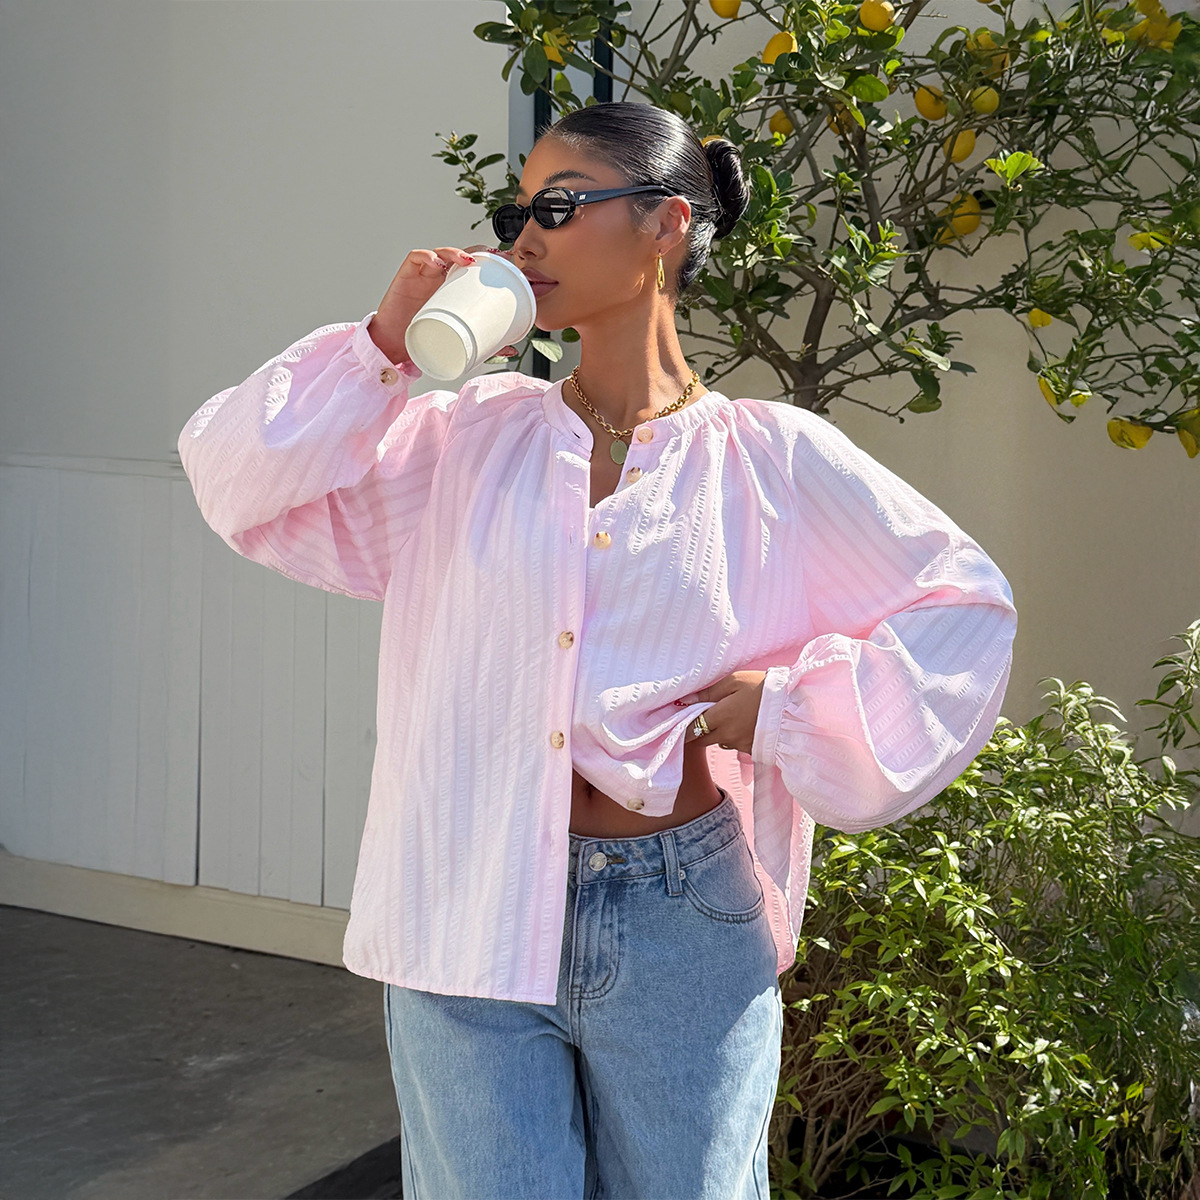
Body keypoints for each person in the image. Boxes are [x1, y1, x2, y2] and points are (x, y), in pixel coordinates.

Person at [178, 100, 1017, 1200]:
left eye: (560, 207)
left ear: (665, 224)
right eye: (516, 210)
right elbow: (240, 489)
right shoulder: (466, 438)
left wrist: (788, 707)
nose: (523, 240)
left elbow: (964, 603)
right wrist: (381, 348)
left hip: (682, 921)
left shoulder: (772, 461)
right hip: (461, 905)